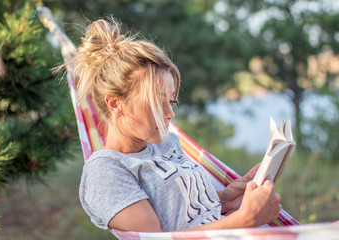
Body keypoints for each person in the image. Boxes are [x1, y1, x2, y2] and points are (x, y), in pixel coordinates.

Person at [61, 17, 281, 232]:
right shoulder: (106, 170)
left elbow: (180, 217)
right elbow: (157, 239)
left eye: (171, 101)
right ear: (115, 102)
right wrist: (244, 219)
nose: (170, 114)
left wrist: (223, 199)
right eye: (157, 102)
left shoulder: (167, 143)